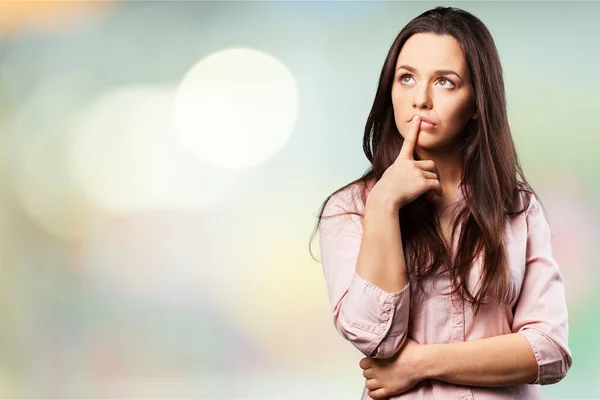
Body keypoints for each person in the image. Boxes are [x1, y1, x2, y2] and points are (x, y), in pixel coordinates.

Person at [310, 6, 572, 400]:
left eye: (445, 82)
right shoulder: (352, 208)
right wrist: (384, 204)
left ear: (477, 103)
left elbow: (549, 351)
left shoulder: (517, 209)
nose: (421, 99)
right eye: (407, 78)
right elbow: (374, 340)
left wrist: (422, 363)